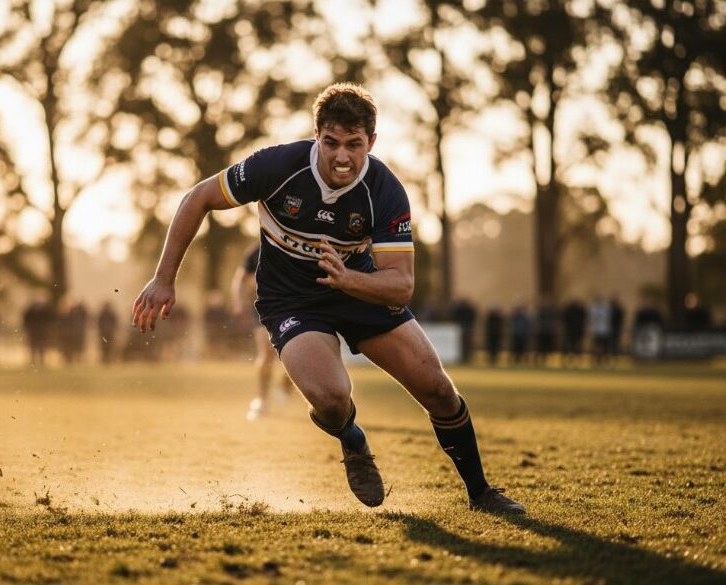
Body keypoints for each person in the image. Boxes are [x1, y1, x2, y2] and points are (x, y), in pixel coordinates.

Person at [132, 83, 524, 514]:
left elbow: (401, 284)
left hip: (360, 293)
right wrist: (164, 278)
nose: (341, 156)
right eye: (331, 142)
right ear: (316, 135)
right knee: (333, 400)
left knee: (439, 390)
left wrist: (348, 279)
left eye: (354, 145)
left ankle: (481, 493)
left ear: (371, 143)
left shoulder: (384, 189)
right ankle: (354, 441)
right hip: (291, 302)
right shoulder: (278, 165)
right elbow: (199, 197)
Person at [231, 244, 295, 421]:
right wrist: (239, 303)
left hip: (293, 307)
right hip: (264, 307)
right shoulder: (255, 251)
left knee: (294, 354)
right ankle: (262, 399)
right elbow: (239, 280)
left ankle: (286, 385)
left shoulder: (293, 243)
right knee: (266, 353)